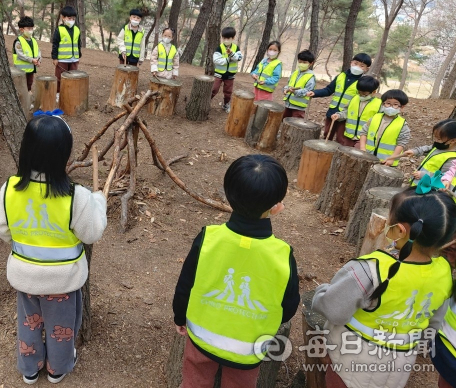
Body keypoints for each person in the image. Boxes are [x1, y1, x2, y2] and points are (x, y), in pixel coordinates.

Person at [0, 113, 107, 385]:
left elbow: (2, 229)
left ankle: (29, 368)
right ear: (64, 154)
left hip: (25, 276)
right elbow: (92, 233)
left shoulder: (9, 188)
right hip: (63, 281)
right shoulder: (75, 195)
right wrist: (99, 202)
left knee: (28, 323)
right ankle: (58, 368)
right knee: (61, 329)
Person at [173, 155, 299, 388]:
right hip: (249, 347)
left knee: (194, 382)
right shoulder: (282, 253)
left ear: (229, 197)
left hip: (202, 337)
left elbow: (185, 284)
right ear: (276, 207)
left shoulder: (208, 238)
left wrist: (179, 316)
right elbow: (289, 304)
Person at [313, 188, 456, 388]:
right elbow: (433, 323)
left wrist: (320, 294)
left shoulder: (371, 269)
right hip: (400, 365)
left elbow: (334, 310)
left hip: (352, 360)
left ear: (400, 230)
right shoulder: (444, 272)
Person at [306, 53, 371, 145]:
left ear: (366, 69)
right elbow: (329, 90)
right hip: (333, 112)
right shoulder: (341, 76)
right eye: (355, 63)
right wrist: (315, 93)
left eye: (362, 66)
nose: (357, 67)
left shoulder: (363, 83)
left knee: (341, 140)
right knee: (327, 135)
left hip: (347, 116)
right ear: (351, 62)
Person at [359, 89, 410, 166]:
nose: (391, 107)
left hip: (386, 162)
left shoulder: (402, 125)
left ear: (402, 107)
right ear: (383, 104)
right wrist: (363, 148)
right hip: (368, 157)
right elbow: (364, 132)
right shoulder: (374, 118)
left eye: (395, 104)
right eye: (388, 103)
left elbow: (401, 143)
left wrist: (392, 158)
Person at [402, 120, 456, 186]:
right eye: (435, 137)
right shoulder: (439, 146)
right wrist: (415, 151)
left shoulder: (452, 159)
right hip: (417, 184)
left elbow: (445, 177)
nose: (436, 141)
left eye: (439, 139)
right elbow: (427, 148)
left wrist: (425, 175)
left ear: (453, 140)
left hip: (427, 190)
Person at [331, 76, 381, 146]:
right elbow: (346, 112)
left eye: (364, 94)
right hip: (349, 135)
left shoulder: (379, 104)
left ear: (373, 92)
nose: (361, 96)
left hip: (364, 138)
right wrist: (339, 115)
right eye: (359, 93)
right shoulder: (354, 99)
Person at [51, 6, 82, 95]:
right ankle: (58, 93)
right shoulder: (59, 30)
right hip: (62, 59)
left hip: (74, 59)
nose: (71, 20)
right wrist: (54, 58)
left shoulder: (77, 29)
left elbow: (78, 43)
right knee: (60, 77)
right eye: (69, 18)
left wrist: (78, 55)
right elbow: (55, 44)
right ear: (63, 18)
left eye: (73, 18)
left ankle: (70, 93)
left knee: (73, 77)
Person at [211, 27, 243, 113]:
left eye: (228, 38)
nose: (226, 40)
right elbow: (216, 60)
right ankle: (207, 101)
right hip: (219, 74)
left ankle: (226, 104)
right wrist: (227, 60)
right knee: (214, 89)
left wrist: (232, 54)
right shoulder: (220, 48)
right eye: (224, 38)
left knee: (228, 91)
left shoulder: (236, 48)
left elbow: (239, 58)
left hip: (230, 75)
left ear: (233, 38)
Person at [282, 49, 316, 119]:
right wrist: (286, 89)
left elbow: (308, 91)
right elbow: (289, 84)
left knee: (295, 124)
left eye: (304, 62)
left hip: (299, 108)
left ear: (311, 63)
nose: (301, 64)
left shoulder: (310, 76)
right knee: (284, 122)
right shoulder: (295, 73)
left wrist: (295, 91)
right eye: (300, 62)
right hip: (288, 104)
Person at [13, 17, 41, 91]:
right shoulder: (18, 41)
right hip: (20, 71)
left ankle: (28, 99)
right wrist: (31, 60)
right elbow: (20, 54)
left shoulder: (34, 40)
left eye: (32, 28)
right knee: (20, 87)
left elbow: (38, 51)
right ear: (22, 29)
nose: (31, 31)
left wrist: (39, 60)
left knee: (29, 84)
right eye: (28, 29)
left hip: (31, 69)